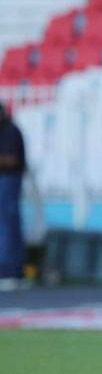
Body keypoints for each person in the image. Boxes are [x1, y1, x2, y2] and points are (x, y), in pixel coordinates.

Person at [0, 101, 26, 291]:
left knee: (7, 225)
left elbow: (11, 160)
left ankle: (10, 270)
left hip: (8, 181)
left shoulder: (10, 130)